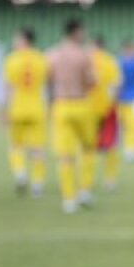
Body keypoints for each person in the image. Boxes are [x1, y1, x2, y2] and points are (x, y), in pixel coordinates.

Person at [48, 18, 97, 214]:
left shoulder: (52, 54)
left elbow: (47, 80)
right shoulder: (83, 55)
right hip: (81, 103)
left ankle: (68, 199)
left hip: (61, 105)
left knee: (64, 156)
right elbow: (92, 81)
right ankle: (85, 189)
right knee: (87, 148)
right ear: (76, 32)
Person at [2, 27, 49, 196]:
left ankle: (20, 173)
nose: (14, 42)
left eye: (16, 39)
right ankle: (38, 184)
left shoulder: (11, 60)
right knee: (38, 148)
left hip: (17, 108)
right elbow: (47, 84)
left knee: (16, 146)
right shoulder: (41, 59)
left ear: (23, 39)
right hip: (37, 108)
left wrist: (3, 110)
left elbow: (8, 88)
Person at [88, 35, 123, 191]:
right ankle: (110, 180)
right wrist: (113, 103)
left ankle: (87, 180)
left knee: (88, 145)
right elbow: (116, 85)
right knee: (111, 145)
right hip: (107, 108)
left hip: (87, 108)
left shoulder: (86, 60)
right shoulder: (110, 61)